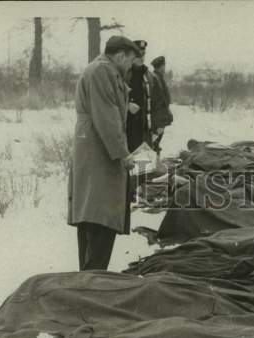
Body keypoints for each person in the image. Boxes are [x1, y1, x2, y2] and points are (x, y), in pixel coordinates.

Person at [67, 36, 139, 272]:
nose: (131, 66)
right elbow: (107, 117)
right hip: (100, 151)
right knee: (100, 214)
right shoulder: (102, 72)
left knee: (94, 213)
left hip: (97, 148)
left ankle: (89, 278)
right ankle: (92, 280)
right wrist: (123, 154)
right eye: (130, 60)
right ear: (120, 56)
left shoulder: (104, 71)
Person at [125, 40, 152, 153]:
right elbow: (112, 98)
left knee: (142, 163)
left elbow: (153, 99)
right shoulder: (124, 72)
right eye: (138, 54)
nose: (141, 57)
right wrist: (127, 105)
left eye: (143, 54)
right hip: (127, 125)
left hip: (143, 125)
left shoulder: (147, 74)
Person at [149, 56, 174, 155]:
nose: (165, 68)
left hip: (159, 119)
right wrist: (159, 124)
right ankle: (151, 167)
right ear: (161, 66)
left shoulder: (158, 77)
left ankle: (154, 165)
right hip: (157, 120)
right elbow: (159, 102)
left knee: (155, 144)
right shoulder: (156, 79)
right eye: (164, 66)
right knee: (153, 144)